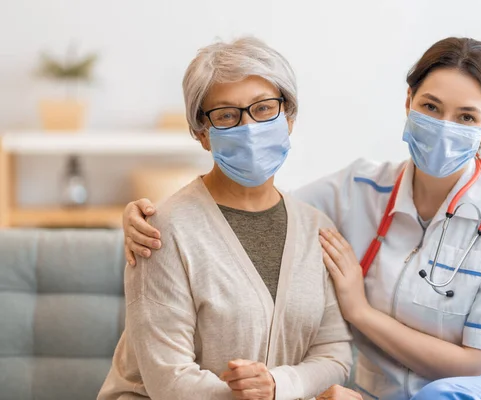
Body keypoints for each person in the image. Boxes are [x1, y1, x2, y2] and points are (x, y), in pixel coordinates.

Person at [122, 37, 481, 400]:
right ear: (408, 101)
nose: (444, 125)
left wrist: (360, 311)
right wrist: (142, 216)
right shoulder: (355, 191)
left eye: (466, 116)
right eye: (430, 107)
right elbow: (249, 211)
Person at [98, 37, 360, 400]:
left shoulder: (317, 227)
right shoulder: (161, 230)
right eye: (226, 115)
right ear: (201, 133)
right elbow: (169, 381)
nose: (249, 127)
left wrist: (277, 386)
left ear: (289, 117)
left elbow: (334, 353)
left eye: (264, 108)